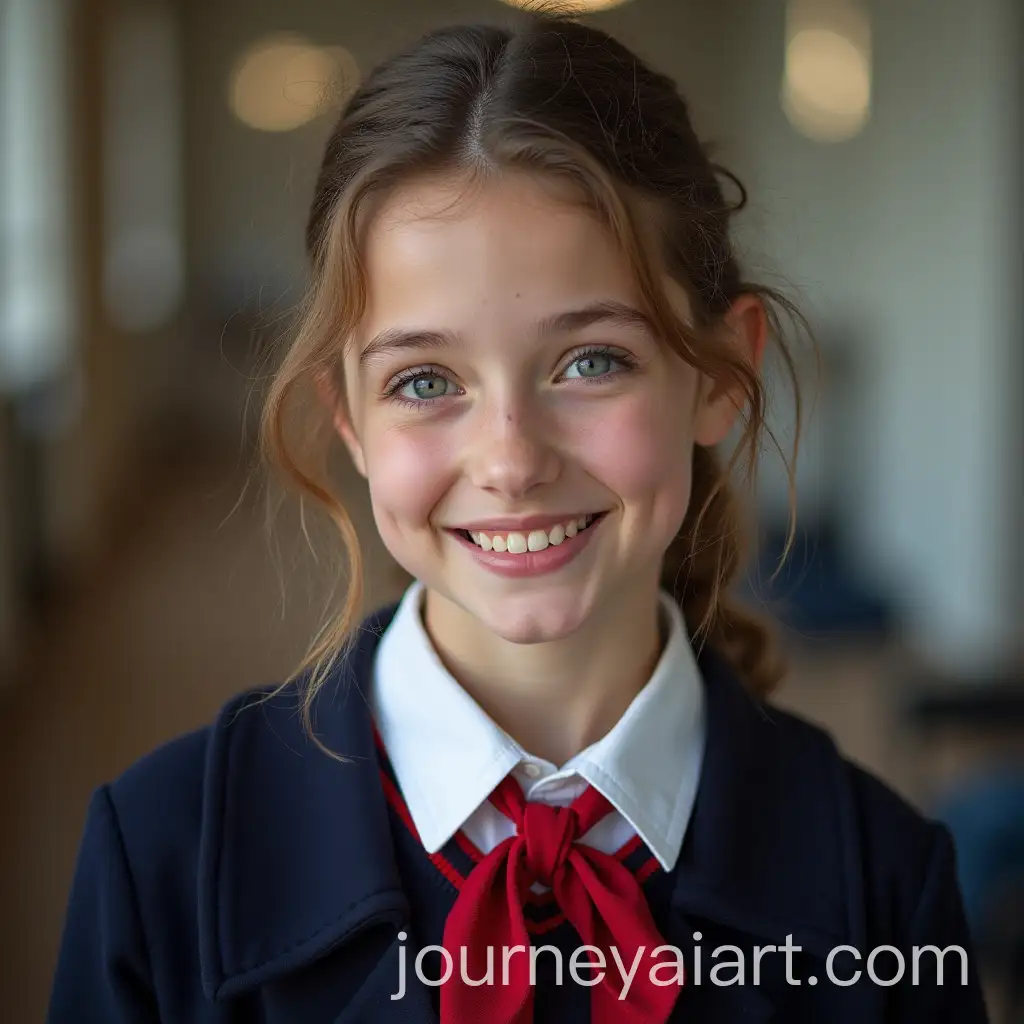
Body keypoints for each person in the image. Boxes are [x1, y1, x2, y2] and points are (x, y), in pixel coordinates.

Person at [48, 9, 989, 1023]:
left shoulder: (886, 884)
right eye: (423, 379)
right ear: (348, 420)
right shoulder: (160, 856)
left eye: (590, 361)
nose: (509, 460)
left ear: (721, 372)